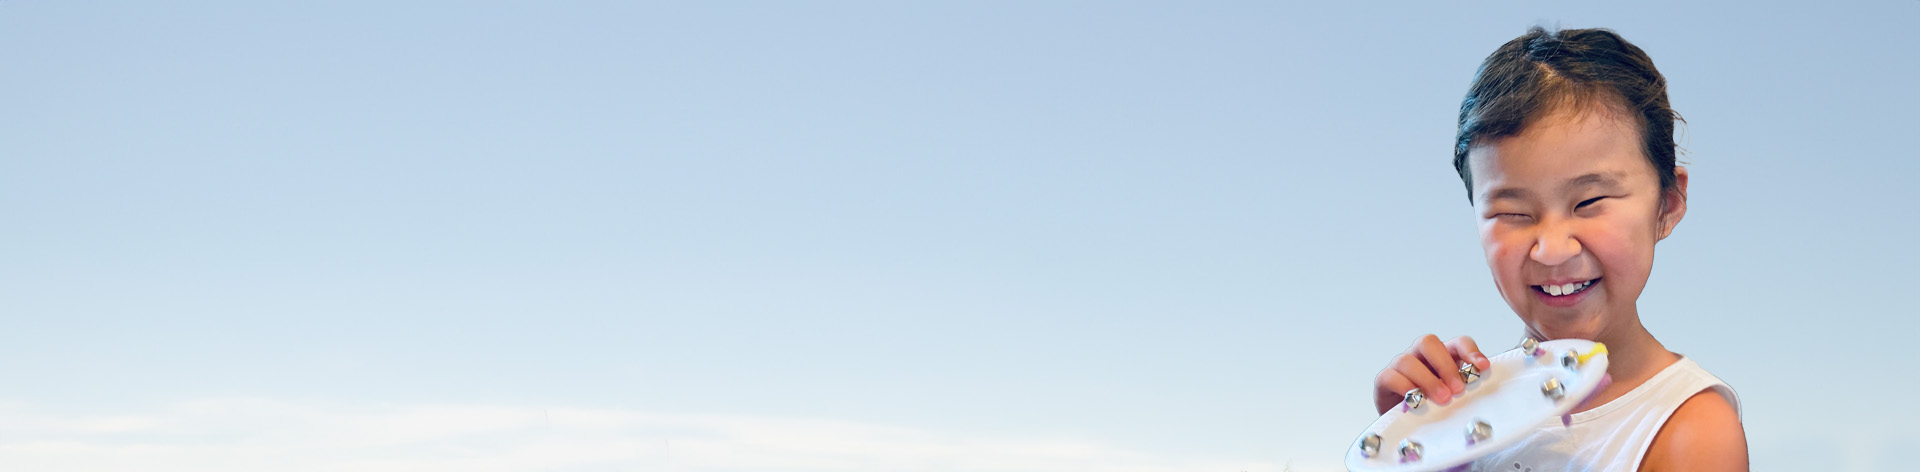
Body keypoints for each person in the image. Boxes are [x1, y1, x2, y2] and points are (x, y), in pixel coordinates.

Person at [1369, 27, 1748, 470]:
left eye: (1588, 202)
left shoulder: (1691, 431)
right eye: (1512, 212)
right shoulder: (1463, 412)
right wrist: (1412, 444)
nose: (1551, 250)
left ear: (1668, 202)